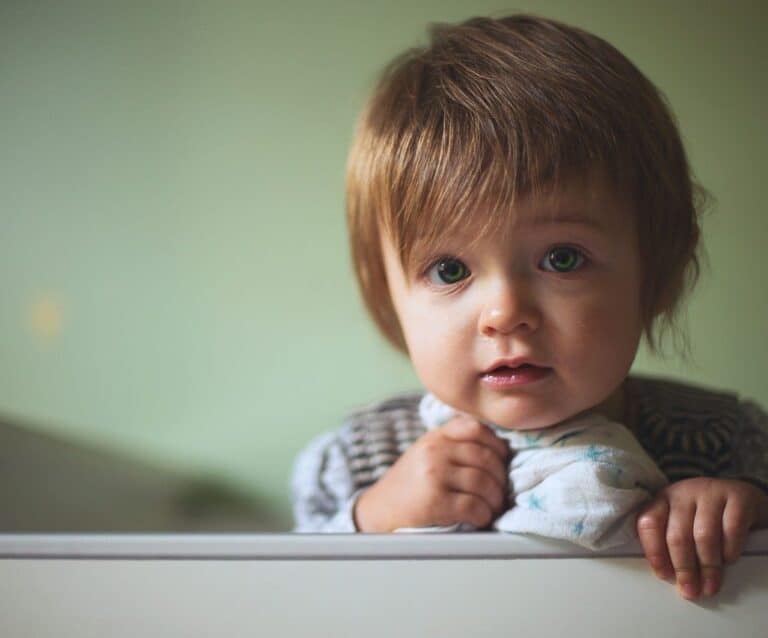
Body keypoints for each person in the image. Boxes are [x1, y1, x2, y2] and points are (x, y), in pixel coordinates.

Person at [290, 14, 768, 600]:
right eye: (450, 271)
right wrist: (371, 521)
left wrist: (745, 519)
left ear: (657, 271)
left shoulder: (723, 442)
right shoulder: (359, 459)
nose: (505, 313)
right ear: (386, 295)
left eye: (562, 259)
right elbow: (294, 595)